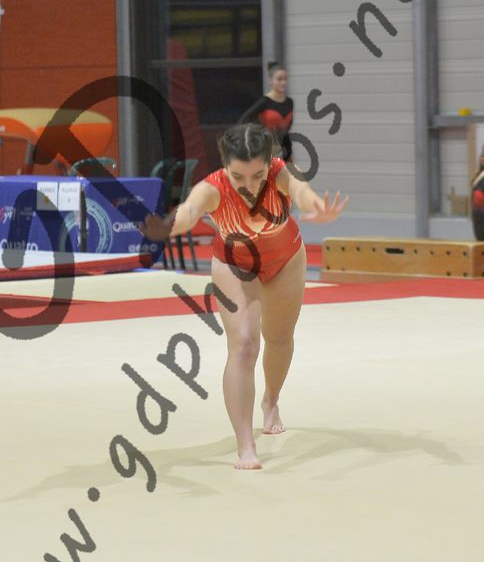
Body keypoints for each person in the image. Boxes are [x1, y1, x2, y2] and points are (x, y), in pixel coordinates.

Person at [140, 122, 347, 470]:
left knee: (278, 338)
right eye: (239, 177)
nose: (249, 185)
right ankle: (245, 445)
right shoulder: (213, 187)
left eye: (257, 176)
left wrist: (318, 208)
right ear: (225, 167)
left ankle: (271, 401)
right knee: (244, 344)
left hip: (285, 259)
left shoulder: (282, 173)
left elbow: (302, 192)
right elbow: (189, 212)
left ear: (269, 165)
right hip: (235, 264)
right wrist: (167, 226)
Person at [241, 62, 294, 162]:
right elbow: (244, 119)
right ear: (270, 80)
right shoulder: (265, 102)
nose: (283, 82)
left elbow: (285, 132)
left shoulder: (289, 102)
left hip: (283, 149)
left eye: (285, 79)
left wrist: (289, 153)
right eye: (279, 79)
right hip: (264, 149)